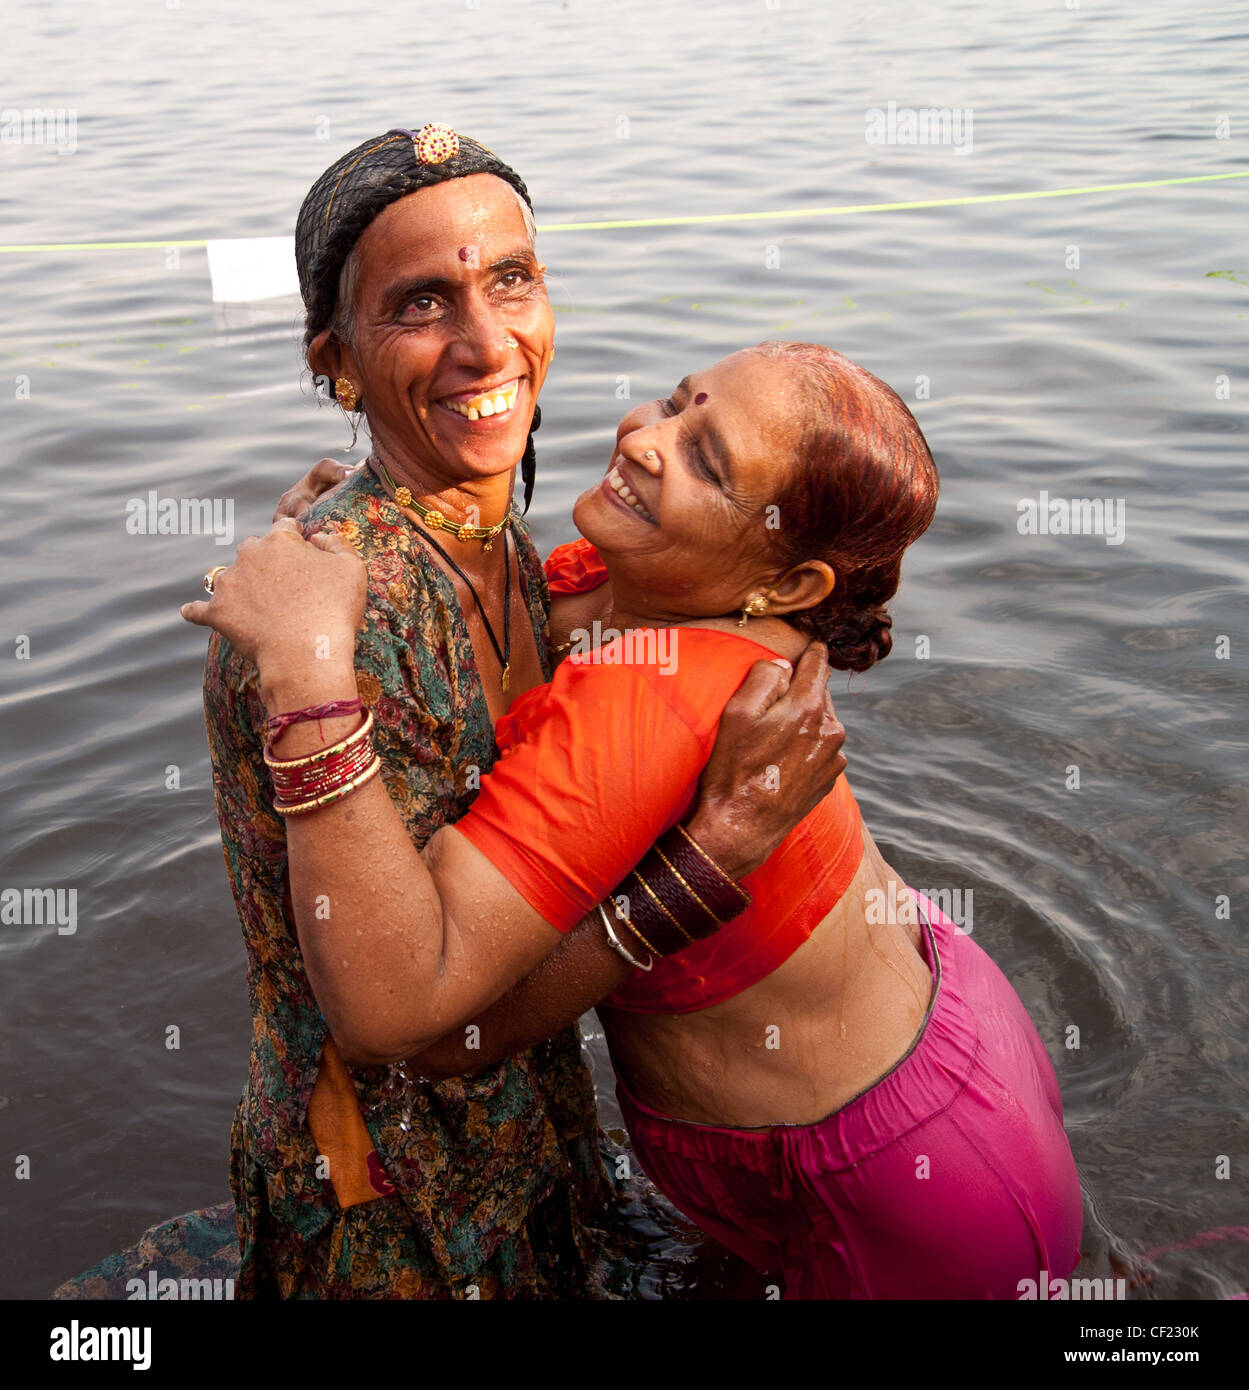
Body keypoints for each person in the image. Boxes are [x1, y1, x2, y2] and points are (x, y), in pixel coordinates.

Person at [184, 340, 1084, 1299]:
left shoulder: (645, 697)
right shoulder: (657, 596)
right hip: (939, 1041)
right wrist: (364, 528)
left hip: (896, 1177)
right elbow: (507, 601)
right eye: (673, 403)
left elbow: (402, 1017)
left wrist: (308, 669)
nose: (648, 439)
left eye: (707, 461)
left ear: (791, 587)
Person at [190, 126, 848, 1299]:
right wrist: (709, 859)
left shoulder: (510, 547)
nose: (487, 342)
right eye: (422, 303)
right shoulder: (336, 617)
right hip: (384, 1190)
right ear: (337, 360)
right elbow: (392, 1025)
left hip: (526, 1110)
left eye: (511, 280)